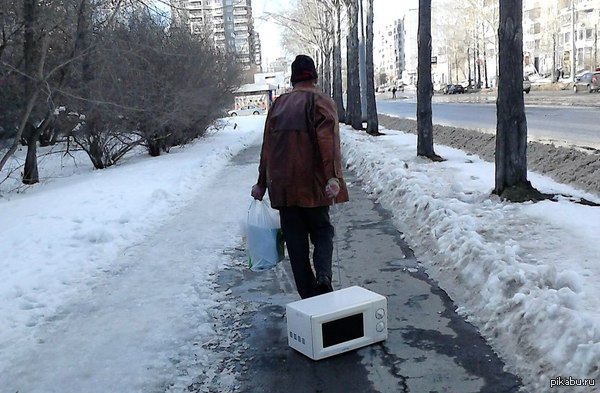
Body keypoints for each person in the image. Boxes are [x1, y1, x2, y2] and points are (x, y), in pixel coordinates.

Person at [250, 54, 349, 299]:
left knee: (296, 246)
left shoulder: (278, 105)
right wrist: (333, 177)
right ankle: (324, 277)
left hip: (283, 190)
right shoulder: (321, 102)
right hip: (313, 187)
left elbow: (267, 149)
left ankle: (309, 299)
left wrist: (261, 183)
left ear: (293, 79)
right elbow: (328, 143)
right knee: (323, 232)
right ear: (314, 77)